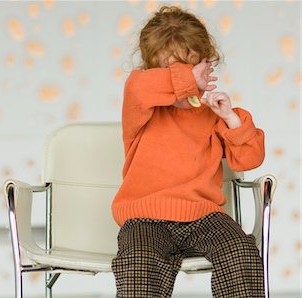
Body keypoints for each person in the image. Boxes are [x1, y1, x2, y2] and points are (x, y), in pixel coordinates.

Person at [111, 5, 265, 298]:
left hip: (204, 217)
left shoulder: (213, 115)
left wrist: (231, 118)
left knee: (241, 251)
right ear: (154, 71)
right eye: (174, 72)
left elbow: (249, 158)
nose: (185, 83)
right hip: (145, 218)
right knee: (138, 264)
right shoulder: (141, 106)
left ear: (207, 65)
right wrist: (188, 80)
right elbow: (140, 86)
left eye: (193, 68)